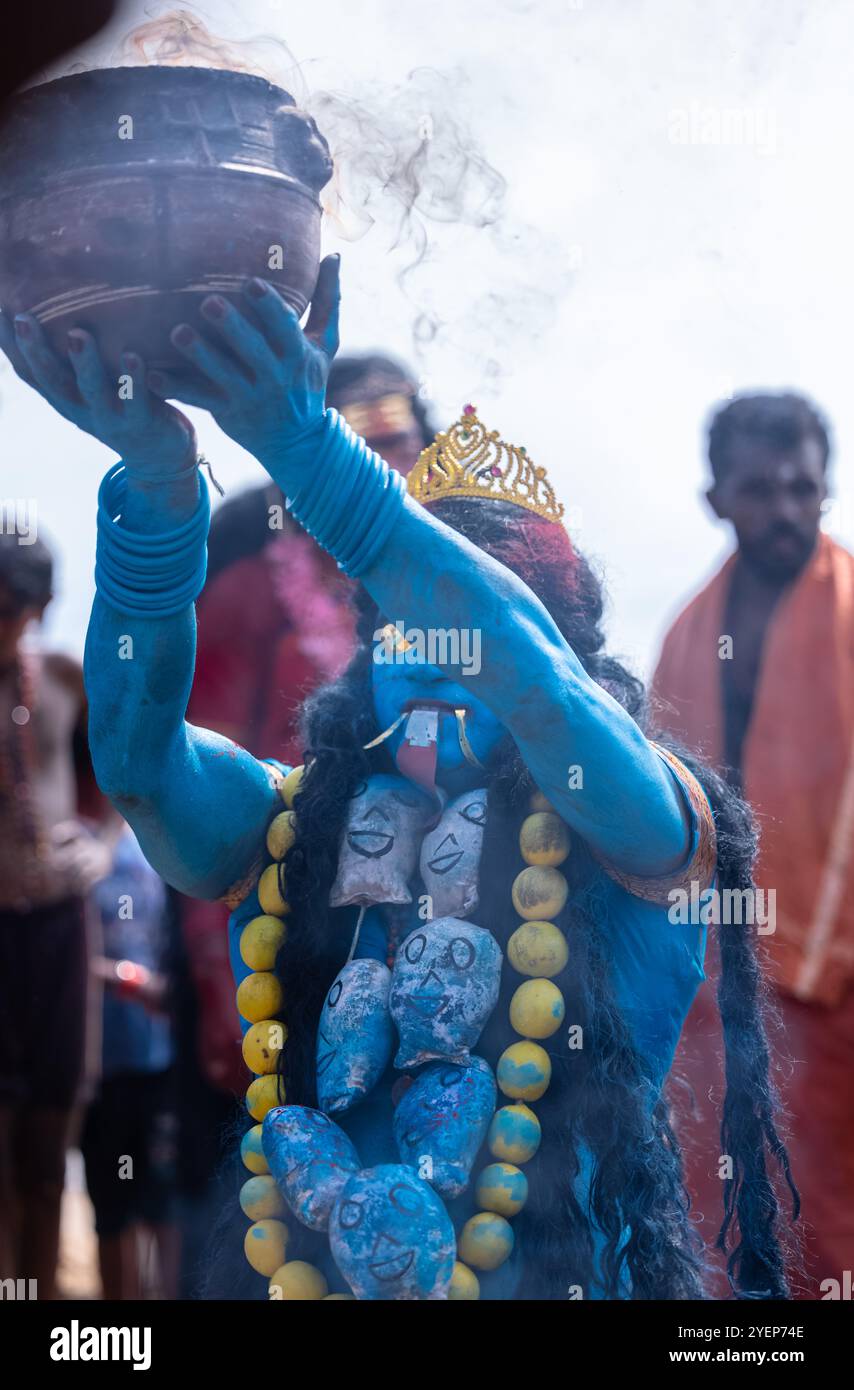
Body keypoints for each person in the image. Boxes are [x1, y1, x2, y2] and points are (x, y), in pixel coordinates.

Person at [0, 268, 797, 1301]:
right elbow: (141, 767)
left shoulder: (642, 821)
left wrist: (307, 450)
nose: (429, 651)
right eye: (393, 624)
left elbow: (531, 677)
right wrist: (154, 492)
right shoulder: (297, 823)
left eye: (454, 622)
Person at [652, 392, 854, 1297]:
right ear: (715, 499)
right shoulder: (687, 630)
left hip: (840, 986)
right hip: (718, 982)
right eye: (759, 489)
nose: (785, 510)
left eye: (803, 488)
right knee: (723, 1215)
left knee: (835, 1217)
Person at [0, 527, 119, 1299]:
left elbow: (116, 787)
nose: (10, 626)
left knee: (51, 1133)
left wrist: (102, 851)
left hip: (59, 927)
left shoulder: (68, 679)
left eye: (22, 610)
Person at [81, 827, 180, 1299]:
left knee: (163, 1201)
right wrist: (125, 980)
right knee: (111, 1206)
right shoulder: (76, 851)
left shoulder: (152, 841)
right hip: (101, 1064)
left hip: (159, 1059)